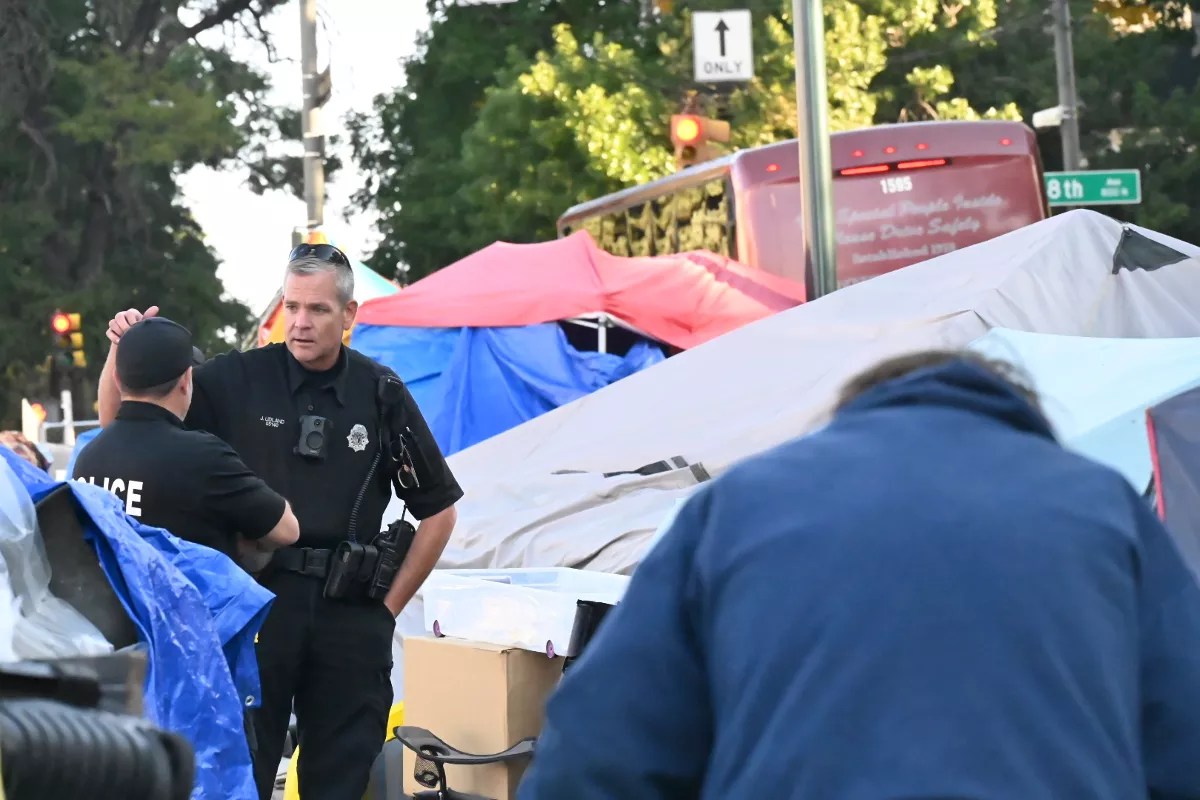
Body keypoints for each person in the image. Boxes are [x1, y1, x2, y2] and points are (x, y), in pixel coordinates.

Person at [518, 350, 1200, 800]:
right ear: (1019, 419)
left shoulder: (741, 506)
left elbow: (600, 757)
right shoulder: (1101, 507)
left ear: (855, 412)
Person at [97, 243, 463, 800]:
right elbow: (127, 423)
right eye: (292, 306)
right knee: (242, 770)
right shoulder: (235, 379)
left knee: (338, 780)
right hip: (257, 606)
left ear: (349, 315)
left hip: (350, 610)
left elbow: (438, 511)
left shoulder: (380, 392)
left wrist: (385, 611)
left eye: (317, 309)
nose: (300, 322)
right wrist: (121, 350)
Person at [76, 316, 299, 566]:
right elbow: (286, 530)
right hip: (189, 603)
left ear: (118, 380)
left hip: (114, 604)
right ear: (185, 381)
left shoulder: (87, 459)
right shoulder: (204, 457)